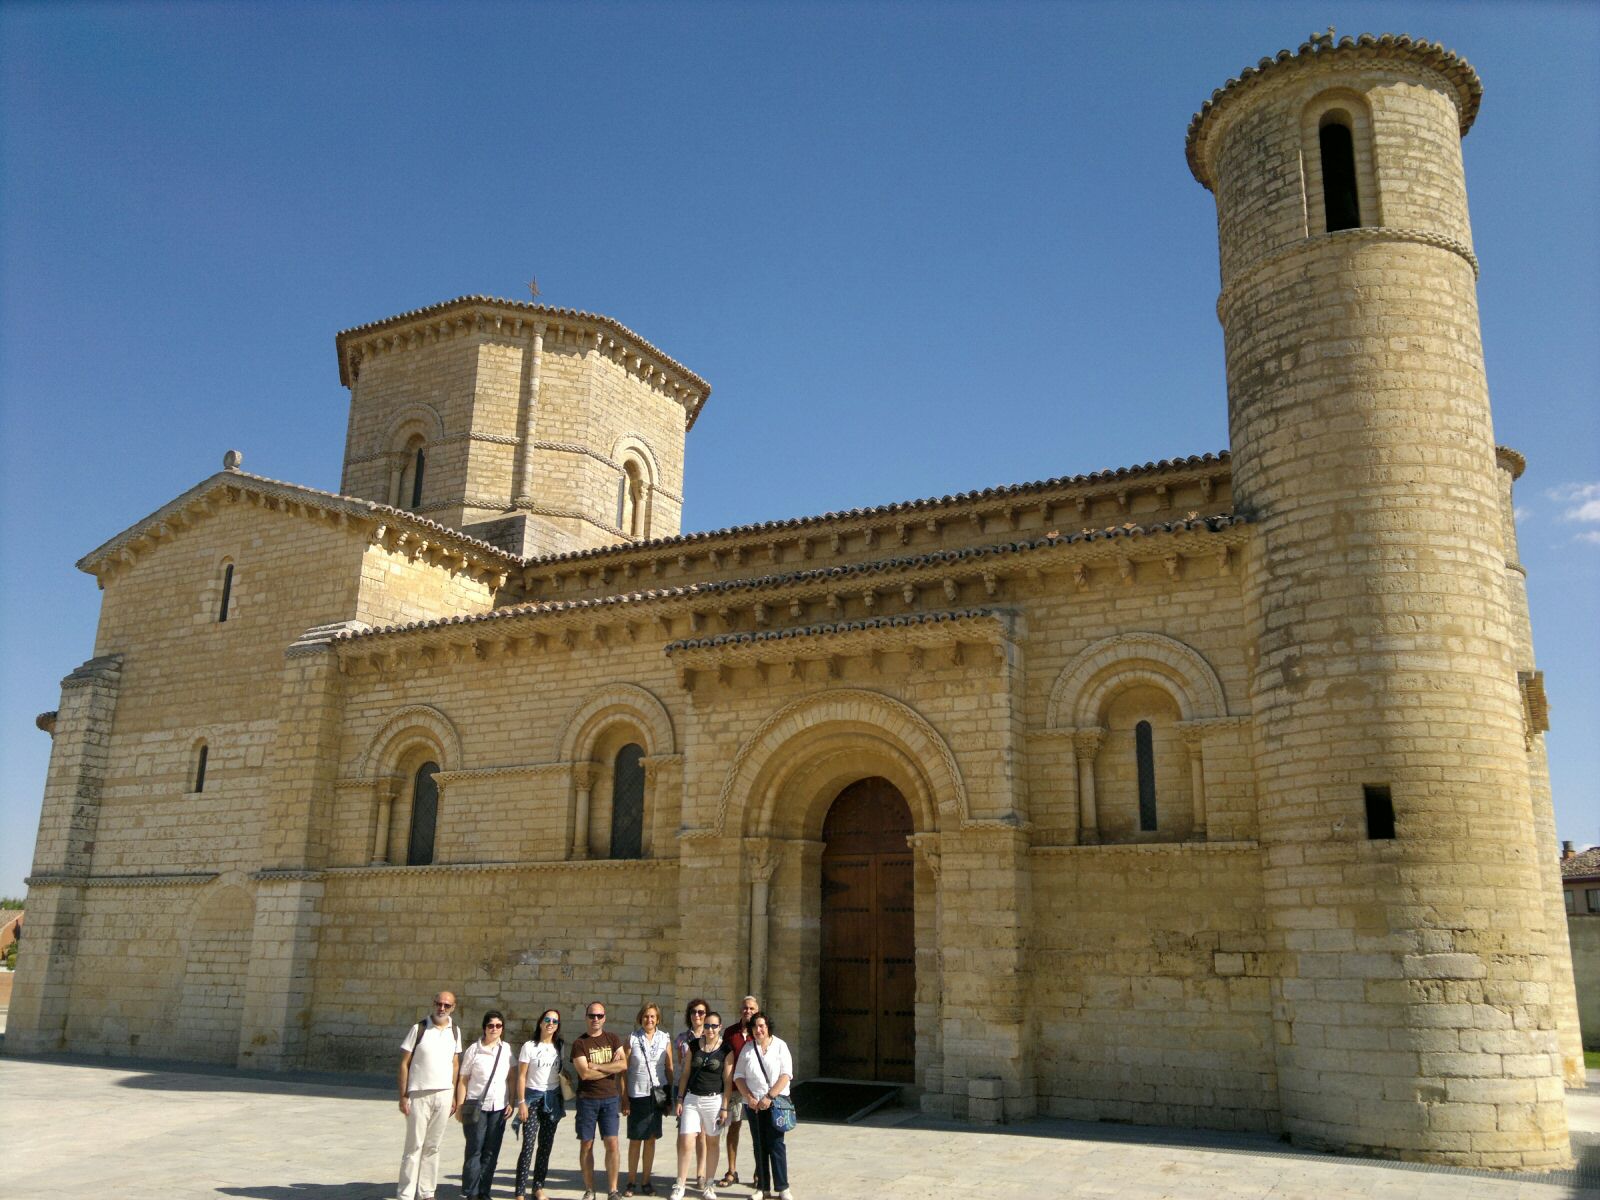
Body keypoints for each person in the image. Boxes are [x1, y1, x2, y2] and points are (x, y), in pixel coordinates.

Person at [397, 990, 463, 1200]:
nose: (442, 1008)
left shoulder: (455, 1031)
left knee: (433, 1146)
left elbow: (455, 1064)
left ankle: (426, 1192)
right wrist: (403, 1095)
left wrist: (453, 1094)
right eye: (439, 1003)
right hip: (419, 1093)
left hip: (444, 1094)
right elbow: (404, 1063)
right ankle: (406, 1194)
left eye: (447, 1005)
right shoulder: (419, 1029)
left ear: (453, 1007)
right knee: (414, 1146)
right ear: (433, 1004)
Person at [670, 1010, 734, 1200]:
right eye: (707, 1025)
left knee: (712, 1142)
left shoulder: (726, 1050)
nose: (710, 1029)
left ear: (720, 1027)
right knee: (686, 1140)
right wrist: (680, 1098)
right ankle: (680, 1184)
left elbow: (728, 1081)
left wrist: (724, 1107)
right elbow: (685, 1074)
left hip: (714, 1100)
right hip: (692, 1098)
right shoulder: (693, 1045)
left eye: (714, 1026)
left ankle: (709, 1184)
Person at [732, 1012, 795, 1200]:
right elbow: (738, 1076)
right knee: (759, 1145)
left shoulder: (780, 1046)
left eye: (761, 1026)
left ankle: (783, 1187)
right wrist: (748, 1097)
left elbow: (786, 1074)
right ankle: (762, 1187)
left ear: (768, 1027)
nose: (758, 1030)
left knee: (776, 1144)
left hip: (775, 1104)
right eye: (754, 1026)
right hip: (754, 1106)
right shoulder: (748, 1048)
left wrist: (769, 1096)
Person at [456, 1009, 517, 1199]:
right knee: (474, 1149)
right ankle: (471, 1192)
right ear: (484, 1027)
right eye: (491, 1025)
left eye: (498, 1026)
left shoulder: (506, 1049)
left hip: (499, 1107)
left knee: (491, 1151)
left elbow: (512, 1077)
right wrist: (460, 1105)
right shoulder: (474, 1050)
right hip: (476, 1107)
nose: (494, 1029)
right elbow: (463, 1079)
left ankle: (484, 1191)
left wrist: (512, 1101)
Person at [573, 1000, 629, 1200]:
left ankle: (612, 1190)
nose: (595, 1019)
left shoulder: (613, 1038)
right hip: (587, 1100)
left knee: (612, 1144)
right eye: (592, 1015)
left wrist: (597, 1066)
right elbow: (584, 1074)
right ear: (586, 1018)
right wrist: (609, 1068)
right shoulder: (579, 1043)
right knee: (586, 1144)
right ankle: (590, 1189)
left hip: (610, 1099)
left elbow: (623, 1065)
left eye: (599, 1015)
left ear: (604, 1018)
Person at [514, 1008, 566, 1200]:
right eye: (547, 1019)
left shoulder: (559, 1046)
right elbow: (521, 1076)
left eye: (555, 1021)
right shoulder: (529, 1046)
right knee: (528, 1145)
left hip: (552, 1099)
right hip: (533, 1099)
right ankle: (520, 1191)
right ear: (540, 1022)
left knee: (545, 1146)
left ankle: (538, 1187)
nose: (551, 1023)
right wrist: (521, 1102)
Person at [623, 1002, 675, 1196]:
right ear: (641, 1018)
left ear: (658, 1019)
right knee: (636, 1139)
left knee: (651, 1139)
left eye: (653, 1016)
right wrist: (624, 1097)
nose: (649, 1020)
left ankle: (646, 1181)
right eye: (646, 1016)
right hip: (637, 1094)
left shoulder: (665, 1038)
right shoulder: (632, 1039)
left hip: (656, 1094)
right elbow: (623, 1069)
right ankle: (631, 1181)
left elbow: (669, 1067)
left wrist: (669, 1097)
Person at [717, 995, 759, 1188]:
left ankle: (759, 1172)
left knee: (757, 1131)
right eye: (745, 1008)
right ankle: (731, 1170)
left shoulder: (760, 1031)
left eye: (751, 1008)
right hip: (734, 1088)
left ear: (757, 1010)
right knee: (733, 1127)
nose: (747, 1011)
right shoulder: (730, 1032)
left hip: (755, 1090)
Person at [672, 1000, 709, 1190]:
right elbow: (681, 1064)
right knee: (684, 1134)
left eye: (701, 1012)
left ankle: (701, 1173)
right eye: (694, 1012)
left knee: (702, 1134)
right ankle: (682, 1175)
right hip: (685, 1089)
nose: (697, 1015)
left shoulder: (711, 1036)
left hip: (705, 1088)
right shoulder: (681, 1039)